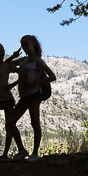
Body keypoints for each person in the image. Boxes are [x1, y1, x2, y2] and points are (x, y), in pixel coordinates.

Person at [9, 34, 56, 162]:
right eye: (23, 45)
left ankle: (35, 153)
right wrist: (13, 56)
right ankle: (22, 150)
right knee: (10, 122)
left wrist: (35, 83)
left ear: (33, 44)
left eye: (27, 44)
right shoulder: (23, 60)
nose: (24, 47)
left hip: (34, 95)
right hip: (24, 96)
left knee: (35, 122)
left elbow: (52, 76)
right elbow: (6, 64)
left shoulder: (38, 61)